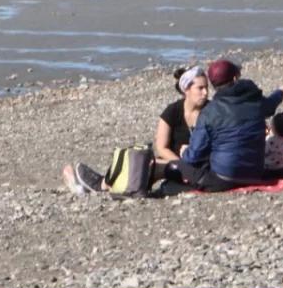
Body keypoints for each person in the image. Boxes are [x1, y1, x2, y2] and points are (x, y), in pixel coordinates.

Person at [62, 65, 208, 195]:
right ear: (186, 90)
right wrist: (182, 164)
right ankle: (104, 184)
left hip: (200, 166)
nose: (206, 92)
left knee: (143, 164)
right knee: (141, 159)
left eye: (206, 87)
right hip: (176, 163)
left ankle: (101, 185)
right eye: (200, 88)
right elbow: (162, 147)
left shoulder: (211, 111)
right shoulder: (172, 111)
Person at [168, 59, 283, 192]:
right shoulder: (255, 100)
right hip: (255, 174)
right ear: (235, 78)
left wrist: (185, 153)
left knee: (175, 167)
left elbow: (195, 155)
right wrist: (280, 93)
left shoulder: (209, 112)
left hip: (224, 178)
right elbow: (270, 105)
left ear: (213, 86)